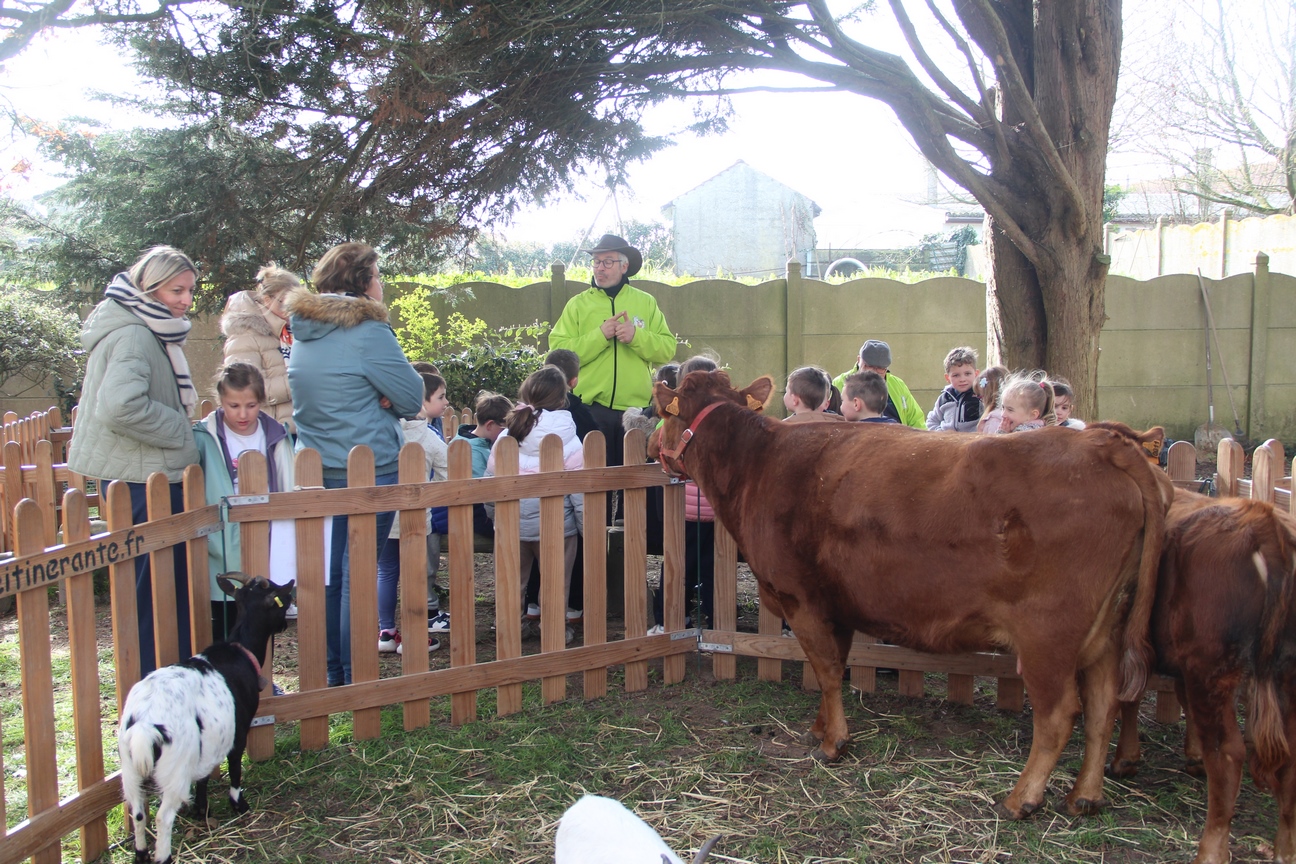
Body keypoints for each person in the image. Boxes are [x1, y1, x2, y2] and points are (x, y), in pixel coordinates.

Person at [286, 241, 425, 687]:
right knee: (356, 576)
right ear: (363, 281)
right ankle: (354, 679)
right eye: (378, 275)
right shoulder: (367, 330)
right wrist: (383, 396)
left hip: (316, 467)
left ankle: (332, 675)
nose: (381, 284)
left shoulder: (303, 329)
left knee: (328, 577)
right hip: (370, 465)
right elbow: (411, 398)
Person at [67, 245, 201, 675]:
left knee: (157, 587)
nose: (186, 300)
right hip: (143, 480)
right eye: (177, 290)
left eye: (190, 291)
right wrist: (181, 428)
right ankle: (155, 679)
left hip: (141, 474)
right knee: (154, 591)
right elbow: (120, 406)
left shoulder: (145, 327)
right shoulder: (136, 334)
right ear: (149, 286)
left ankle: (166, 673)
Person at [548, 233, 676, 480]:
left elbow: (667, 349)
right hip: (591, 410)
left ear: (624, 266)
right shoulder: (577, 305)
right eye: (596, 262)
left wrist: (637, 336)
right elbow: (557, 353)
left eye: (607, 262)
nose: (600, 268)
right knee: (595, 482)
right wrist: (600, 336)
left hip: (636, 412)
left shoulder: (646, 302)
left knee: (637, 483)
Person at [193, 362, 297, 638]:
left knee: (260, 625)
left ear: (261, 401)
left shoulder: (276, 436)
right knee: (224, 623)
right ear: (220, 401)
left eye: (250, 406)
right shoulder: (204, 437)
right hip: (219, 546)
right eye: (234, 406)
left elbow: (288, 487)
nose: (242, 414)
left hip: (265, 541)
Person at [485, 365, 584, 643]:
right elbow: (579, 491)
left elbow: (490, 481)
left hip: (511, 522)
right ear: (562, 398)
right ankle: (554, 631)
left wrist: (495, 517)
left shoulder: (507, 434)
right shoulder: (569, 437)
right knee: (556, 581)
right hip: (557, 526)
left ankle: (510, 630)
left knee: (511, 581)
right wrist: (585, 527)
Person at [377, 370, 448, 654]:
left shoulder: (382, 432)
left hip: (384, 515)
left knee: (386, 572)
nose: (445, 402)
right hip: (416, 518)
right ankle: (414, 636)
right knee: (414, 576)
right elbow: (449, 474)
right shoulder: (428, 437)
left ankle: (386, 632)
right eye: (441, 397)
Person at [649, 355, 720, 635]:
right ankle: (719, 620)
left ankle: (670, 619)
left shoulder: (674, 417)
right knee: (715, 565)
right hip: (716, 510)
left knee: (678, 564)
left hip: (683, 509)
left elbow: (655, 448)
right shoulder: (723, 416)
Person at [220, 265, 301, 430]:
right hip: (269, 431)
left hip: (298, 427)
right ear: (267, 299)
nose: (291, 310)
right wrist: (300, 381)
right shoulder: (244, 334)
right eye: (285, 303)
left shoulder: (292, 331)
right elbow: (244, 390)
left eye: (297, 303)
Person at [455, 391, 512, 539]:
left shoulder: (476, 442)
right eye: (504, 429)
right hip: (476, 513)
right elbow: (484, 491)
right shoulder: (472, 451)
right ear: (490, 425)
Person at [832, 340, 925, 428]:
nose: (874, 372)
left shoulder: (898, 385)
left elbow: (916, 420)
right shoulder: (840, 383)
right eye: (869, 366)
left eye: (880, 368)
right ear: (859, 360)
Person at [926, 346, 982, 432]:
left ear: (976, 374)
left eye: (967, 374)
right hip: (946, 439)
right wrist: (939, 434)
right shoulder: (944, 398)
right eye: (956, 375)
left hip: (972, 439)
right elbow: (932, 420)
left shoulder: (980, 396)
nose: (962, 379)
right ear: (947, 378)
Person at [974, 366, 1009, 434]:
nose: (981, 401)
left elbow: (991, 440)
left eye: (981, 396)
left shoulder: (993, 421)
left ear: (989, 396)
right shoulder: (1017, 414)